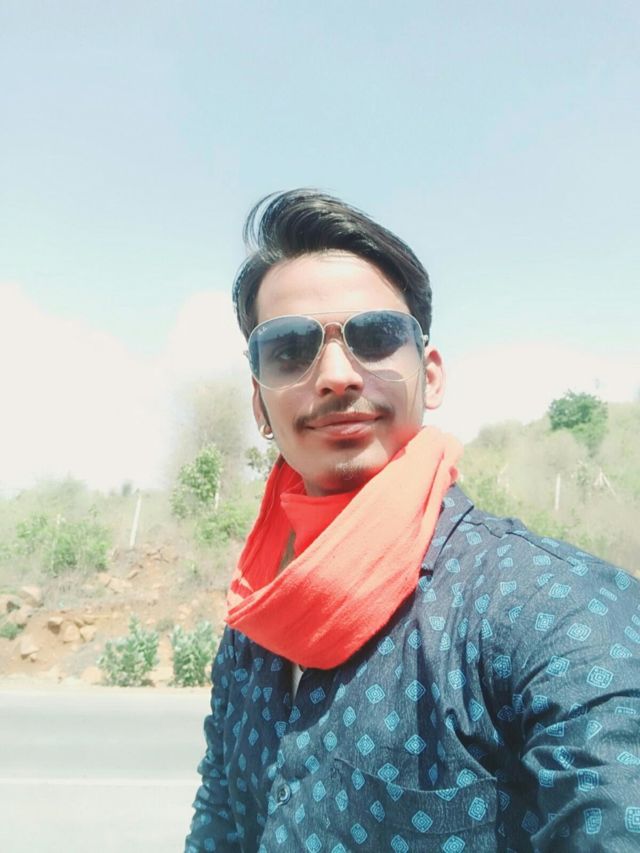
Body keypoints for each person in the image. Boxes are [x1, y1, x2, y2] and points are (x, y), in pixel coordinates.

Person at [185, 190, 640, 852]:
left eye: (375, 337)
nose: (336, 376)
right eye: (288, 349)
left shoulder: (557, 610)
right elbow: (220, 818)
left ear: (431, 375)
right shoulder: (252, 624)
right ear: (260, 404)